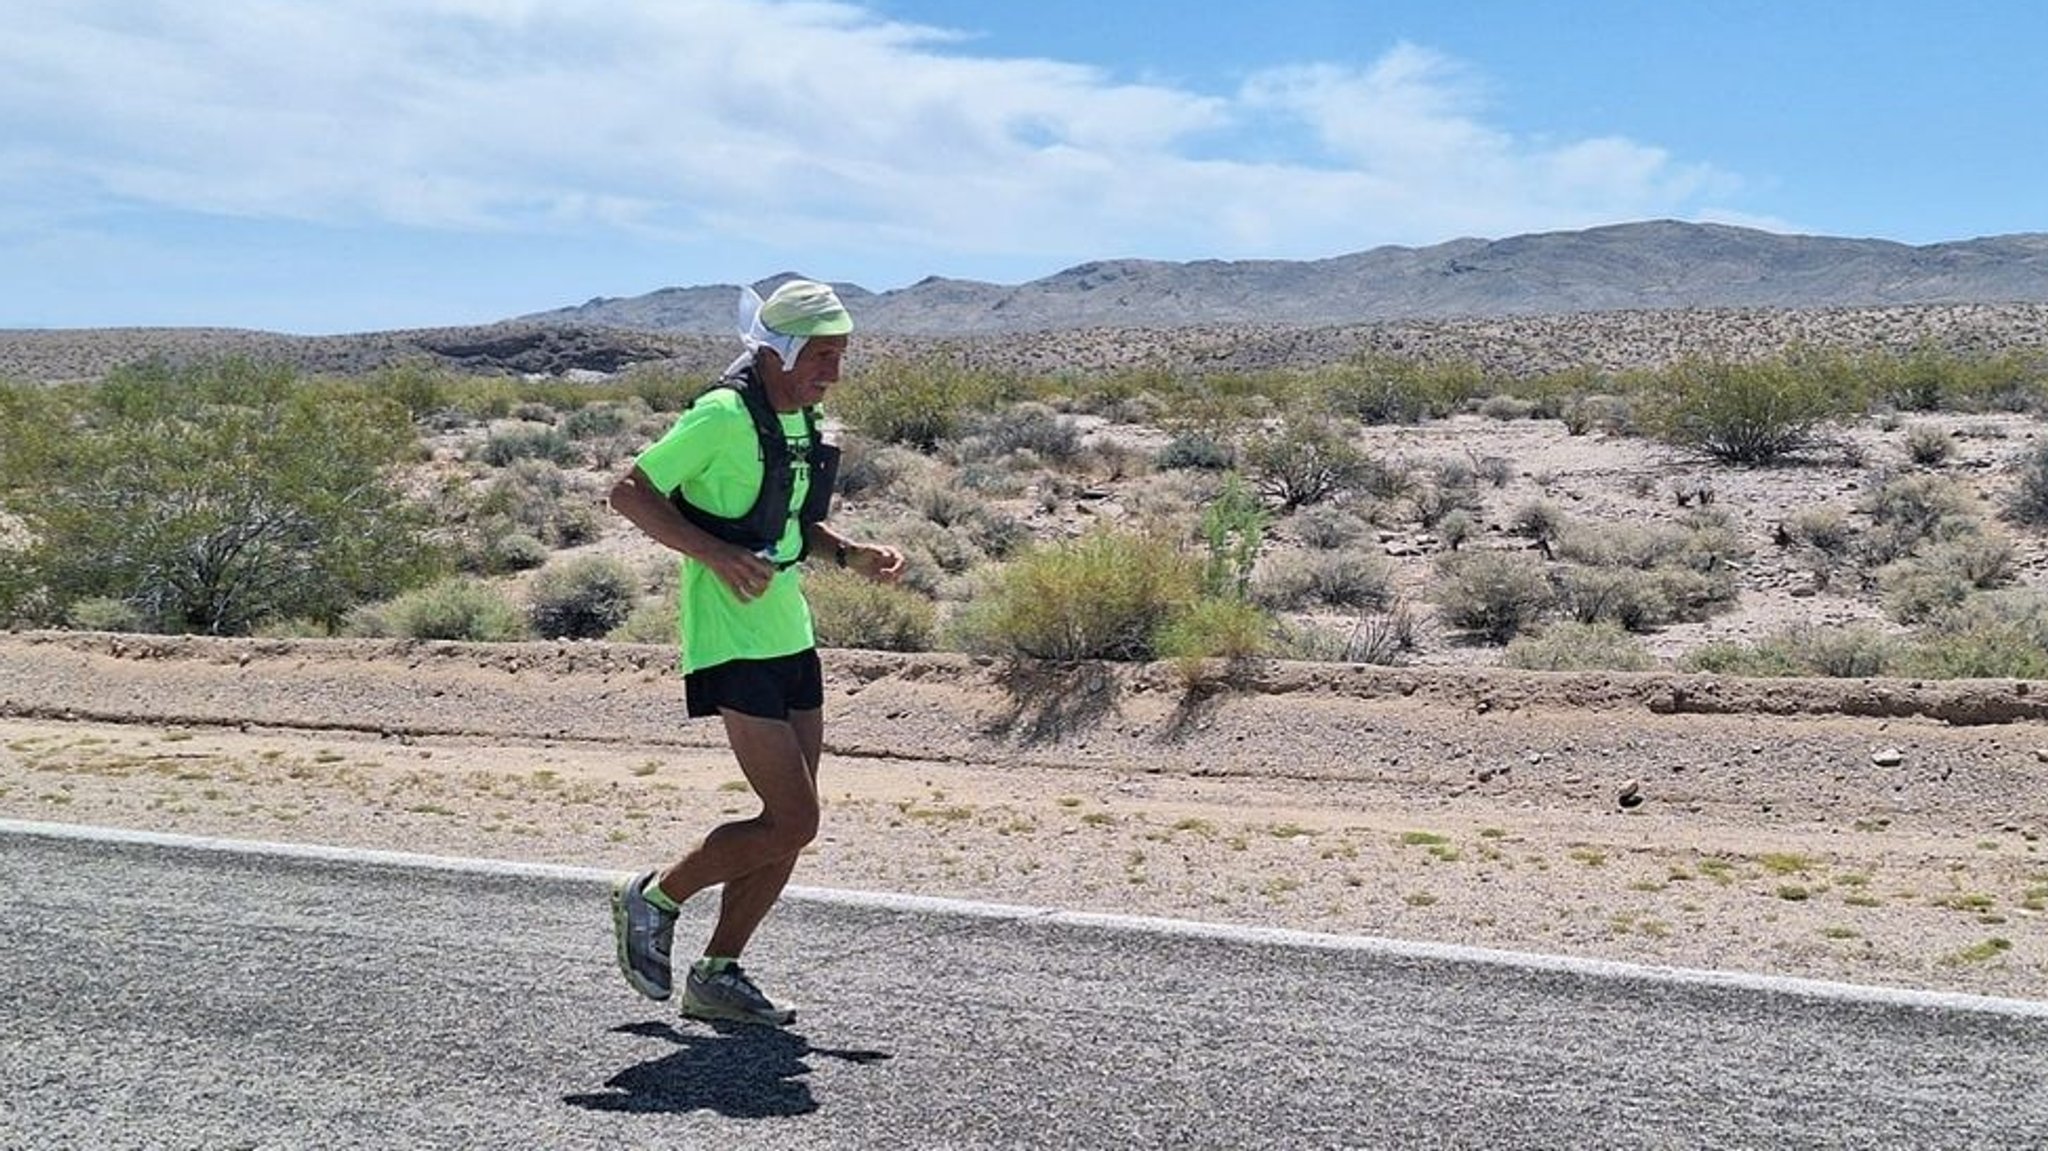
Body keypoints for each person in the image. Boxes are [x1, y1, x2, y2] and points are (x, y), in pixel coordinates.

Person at [607, 278, 905, 1026]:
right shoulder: (720, 414)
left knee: (793, 819)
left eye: (840, 357)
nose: (832, 373)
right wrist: (712, 554)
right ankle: (655, 896)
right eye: (822, 356)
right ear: (781, 350)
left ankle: (718, 972)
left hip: (789, 630)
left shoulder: (801, 418)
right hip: (731, 637)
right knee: (794, 816)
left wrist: (849, 555)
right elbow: (630, 491)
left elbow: (794, 522)